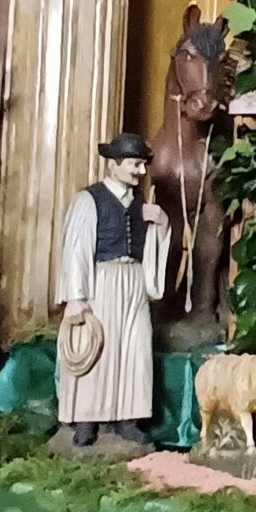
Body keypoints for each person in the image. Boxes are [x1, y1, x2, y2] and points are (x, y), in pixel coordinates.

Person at [55, 132, 172, 448]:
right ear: (114, 164)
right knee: (97, 349)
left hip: (133, 280)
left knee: (135, 349)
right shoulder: (89, 200)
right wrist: (76, 297)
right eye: (134, 164)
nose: (141, 171)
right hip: (101, 281)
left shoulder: (140, 204)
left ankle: (128, 418)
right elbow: (76, 250)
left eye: (143, 165)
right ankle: (86, 419)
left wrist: (160, 223)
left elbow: (152, 245)